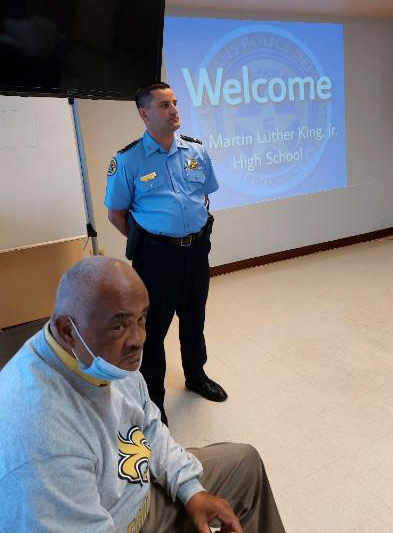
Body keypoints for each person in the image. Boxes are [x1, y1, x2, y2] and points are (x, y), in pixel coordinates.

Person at [0, 257, 286, 533]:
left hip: (135, 493)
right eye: (119, 324)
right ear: (67, 331)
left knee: (244, 463)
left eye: (142, 318)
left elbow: (148, 426)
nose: (138, 339)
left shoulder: (96, 357)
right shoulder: (42, 442)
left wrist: (191, 490)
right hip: (108, 522)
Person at [105, 82, 226, 425]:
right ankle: (154, 401)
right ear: (144, 114)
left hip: (196, 250)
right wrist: (152, 242)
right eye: (163, 105)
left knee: (194, 317)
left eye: (174, 103)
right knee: (153, 330)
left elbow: (205, 194)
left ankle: (196, 376)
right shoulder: (128, 160)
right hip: (155, 260)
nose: (174, 110)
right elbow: (116, 214)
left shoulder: (196, 152)